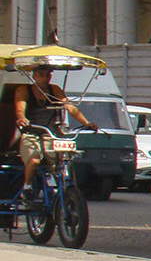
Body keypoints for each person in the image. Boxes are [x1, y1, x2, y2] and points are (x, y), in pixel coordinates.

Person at [14, 66, 97, 206]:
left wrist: (86, 122)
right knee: (34, 159)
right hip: (31, 133)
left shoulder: (55, 90)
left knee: (57, 161)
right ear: (34, 76)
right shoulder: (23, 90)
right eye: (41, 75)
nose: (45, 78)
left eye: (48, 75)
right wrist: (22, 118)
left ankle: (56, 186)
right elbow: (20, 110)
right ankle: (27, 187)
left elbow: (70, 107)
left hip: (50, 134)